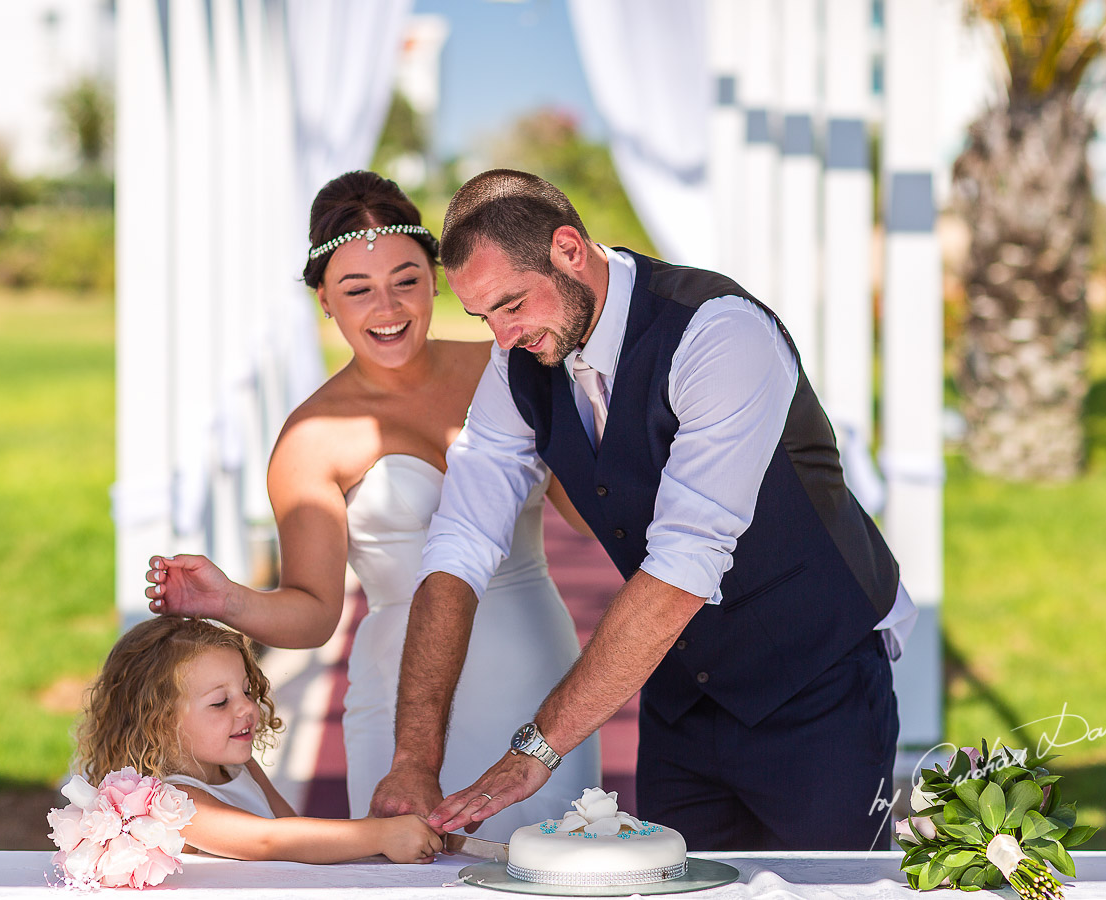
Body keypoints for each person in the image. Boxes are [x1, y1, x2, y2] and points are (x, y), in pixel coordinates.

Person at [371, 169, 918, 852]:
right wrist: (415, 757)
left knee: (833, 895)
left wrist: (534, 754)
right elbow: (459, 544)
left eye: (511, 304)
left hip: (815, 686)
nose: (504, 337)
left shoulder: (718, 333)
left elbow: (683, 566)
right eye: (485, 317)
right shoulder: (518, 360)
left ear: (569, 249)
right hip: (681, 698)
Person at [143, 170, 598, 840]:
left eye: (406, 280)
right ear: (325, 299)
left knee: (560, 867)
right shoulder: (311, 439)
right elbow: (314, 612)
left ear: (437, 279)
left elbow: (592, 513)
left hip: (538, 667)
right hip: (401, 693)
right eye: (357, 290)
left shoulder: (510, 366)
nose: (387, 307)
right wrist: (226, 599)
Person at [73, 616, 443, 863]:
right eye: (220, 702)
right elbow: (270, 840)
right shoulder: (170, 803)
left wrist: (376, 839)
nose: (247, 708)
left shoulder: (238, 767)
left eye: (248, 691)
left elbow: (293, 829)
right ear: (158, 720)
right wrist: (377, 836)